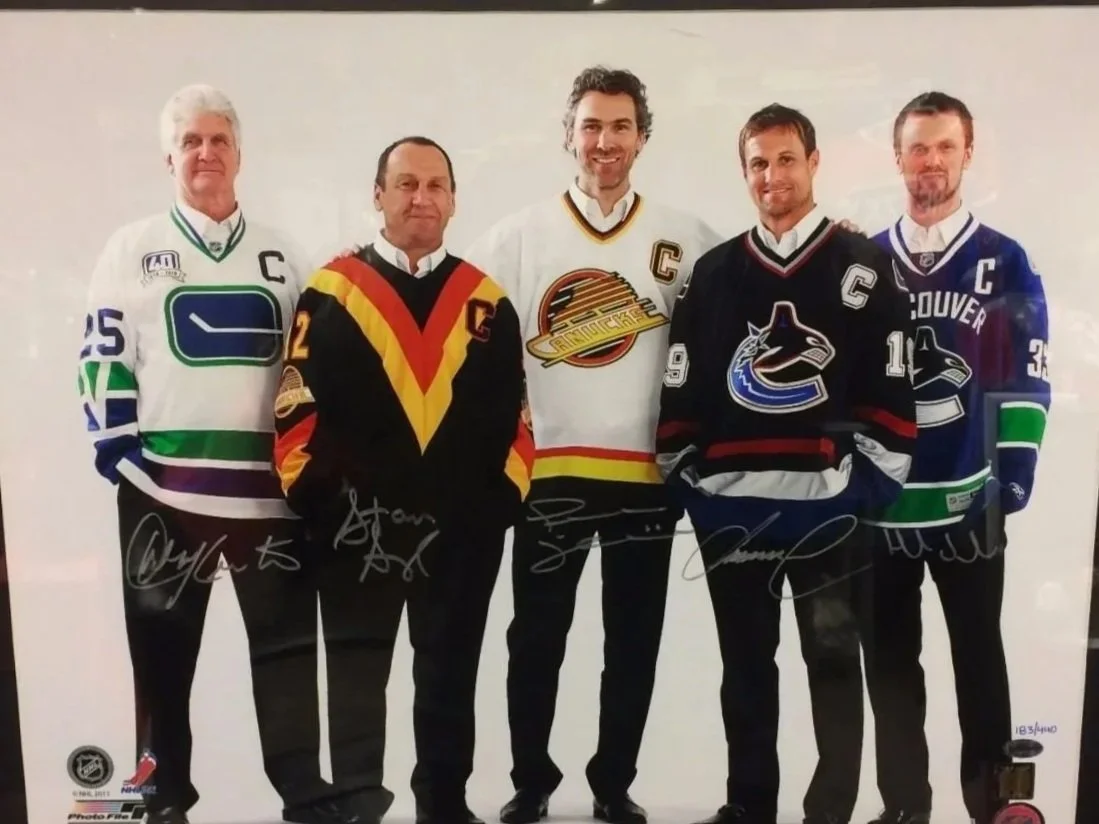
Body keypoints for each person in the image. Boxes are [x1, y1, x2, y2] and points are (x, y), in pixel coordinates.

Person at [461, 66, 723, 824]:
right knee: (536, 639)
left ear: (641, 137)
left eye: (619, 126)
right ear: (567, 136)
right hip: (549, 477)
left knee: (632, 642)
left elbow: (748, 295)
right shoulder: (515, 237)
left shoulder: (685, 237)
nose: (604, 141)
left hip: (647, 478)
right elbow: (455, 317)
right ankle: (531, 784)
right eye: (590, 126)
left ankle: (613, 786)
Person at [77, 84, 342, 824]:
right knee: (160, 658)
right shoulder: (131, 249)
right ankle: (162, 795)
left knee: (286, 655)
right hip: (164, 493)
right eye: (190, 141)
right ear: (169, 158)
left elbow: (315, 367)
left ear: (239, 154)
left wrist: (316, 466)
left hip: (270, 497)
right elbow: (102, 352)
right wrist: (119, 452)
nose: (205, 153)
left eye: (218, 140)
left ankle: (303, 791)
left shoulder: (284, 255)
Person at [655, 103, 917, 824]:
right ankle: (749, 805)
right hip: (733, 515)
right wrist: (692, 482)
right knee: (744, 668)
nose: (772, 175)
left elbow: (892, 385)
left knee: (832, 663)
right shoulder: (713, 273)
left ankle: (830, 809)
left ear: (813, 163)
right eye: (758, 163)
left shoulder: (861, 266)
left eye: (786, 159)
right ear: (744, 172)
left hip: (829, 513)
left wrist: (863, 487)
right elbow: (683, 386)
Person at [272, 135, 533, 824]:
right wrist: (323, 505)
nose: (422, 198)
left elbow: (517, 418)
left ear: (453, 199)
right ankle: (358, 804)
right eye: (406, 184)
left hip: (460, 538)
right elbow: (296, 408)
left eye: (435, 185)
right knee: (357, 679)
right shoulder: (330, 291)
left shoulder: (486, 303)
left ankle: (443, 804)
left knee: (449, 677)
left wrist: (499, 506)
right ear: (378, 195)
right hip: (357, 532)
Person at [859, 92, 1052, 824]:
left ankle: (992, 808)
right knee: (890, 669)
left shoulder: (1003, 258)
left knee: (979, 661)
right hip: (883, 508)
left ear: (967, 153)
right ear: (897, 157)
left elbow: (1026, 369)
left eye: (944, 146)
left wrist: (1013, 474)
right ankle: (904, 807)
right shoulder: (866, 260)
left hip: (971, 499)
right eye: (917, 147)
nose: (930, 161)